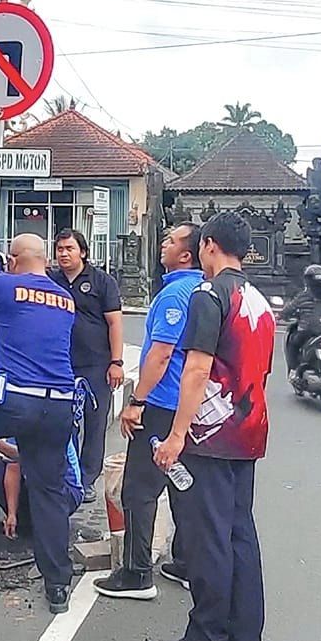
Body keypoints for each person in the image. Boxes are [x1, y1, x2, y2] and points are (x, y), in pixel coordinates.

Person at [148, 212, 275, 641]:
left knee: (207, 541)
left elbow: (197, 369)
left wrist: (176, 435)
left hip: (210, 437)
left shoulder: (208, 294)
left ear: (209, 246)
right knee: (241, 536)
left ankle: (206, 638)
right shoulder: (258, 300)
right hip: (249, 432)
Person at [0, 234, 87, 613]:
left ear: (12, 260)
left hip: (17, 400)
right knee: (49, 492)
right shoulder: (65, 299)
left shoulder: (5, 285)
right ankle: (57, 585)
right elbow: (29, 322)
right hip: (59, 407)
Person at [95, 221, 205, 601]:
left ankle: (138, 572)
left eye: (172, 241)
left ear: (186, 254)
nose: (164, 243)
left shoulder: (175, 294)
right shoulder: (203, 290)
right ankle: (189, 562)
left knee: (139, 490)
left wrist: (135, 401)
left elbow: (161, 355)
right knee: (180, 481)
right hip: (189, 404)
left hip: (161, 403)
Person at [51, 228, 123, 499]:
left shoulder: (102, 282)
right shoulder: (51, 280)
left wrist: (116, 362)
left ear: (82, 251)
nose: (64, 254)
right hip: (59, 363)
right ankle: (64, 474)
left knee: (94, 423)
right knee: (62, 421)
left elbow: (115, 322)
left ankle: (87, 477)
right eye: (60, 249)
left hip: (96, 363)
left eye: (70, 248)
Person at [280, 264, 321, 376]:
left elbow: (289, 309)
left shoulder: (303, 297)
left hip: (307, 332)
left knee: (293, 343)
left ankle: (293, 369)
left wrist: (280, 316)